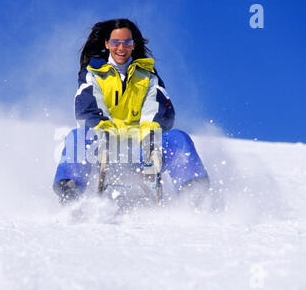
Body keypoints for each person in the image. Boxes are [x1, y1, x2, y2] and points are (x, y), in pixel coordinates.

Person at [53, 18, 209, 205]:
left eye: (126, 42)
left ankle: (196, 199)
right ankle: (70, 198)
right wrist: (104, 134)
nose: (121, 48)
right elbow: (87, 108)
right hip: (100, 147)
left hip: (140, 148)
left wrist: (149, 139)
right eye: (115, 42)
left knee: (179, 139)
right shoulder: (93, 73)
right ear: (107, 44)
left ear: (133, 45)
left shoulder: (147, 76)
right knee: (77, 138)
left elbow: (160, 110)